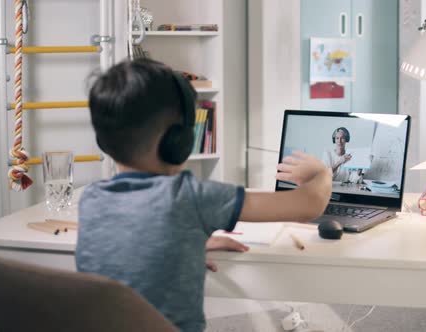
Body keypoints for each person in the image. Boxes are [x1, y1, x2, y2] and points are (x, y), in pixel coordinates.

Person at [76, 58, 332, 332]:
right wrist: (322, 173)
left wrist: (184, 242)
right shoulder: (190, 197)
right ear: (180, 142)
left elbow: (132, 241)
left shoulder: (91, 199)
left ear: (104, 142)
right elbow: (309, 204)